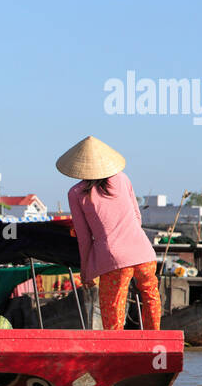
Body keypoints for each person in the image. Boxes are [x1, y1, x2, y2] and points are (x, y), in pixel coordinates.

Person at [58, 136, 160, 330]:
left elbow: (84, 237)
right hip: (144, 253)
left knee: (113, 308)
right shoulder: (122, 178)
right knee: (151, 297)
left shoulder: (76, 193)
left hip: (114, 259)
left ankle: (117, 348)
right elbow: (136, 217)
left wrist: (86, 271)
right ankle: (155, 338)